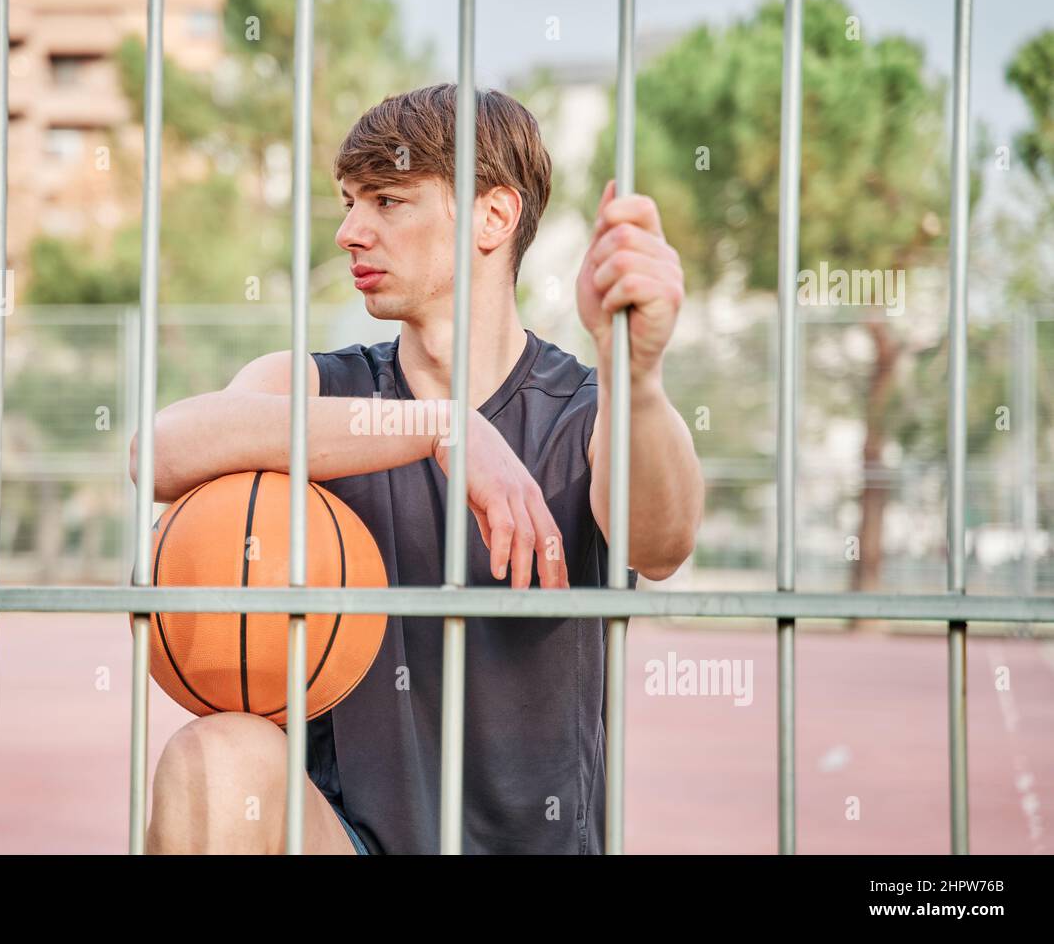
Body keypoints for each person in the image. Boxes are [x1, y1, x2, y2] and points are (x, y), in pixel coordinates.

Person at [132, 83, 703, 854]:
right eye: (347, 202)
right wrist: (438, 426)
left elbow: (660, 544)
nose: (349, 232)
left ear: (493, 218)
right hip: (351, 840)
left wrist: (636, 374)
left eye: (388, 201)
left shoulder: (585, 410)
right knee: (215, 761)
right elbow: (156, 452)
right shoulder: (320, 388)